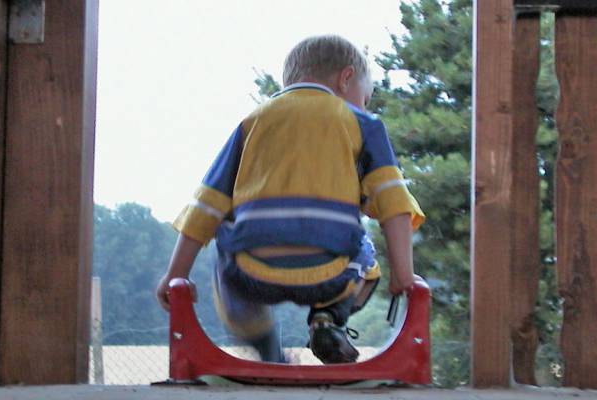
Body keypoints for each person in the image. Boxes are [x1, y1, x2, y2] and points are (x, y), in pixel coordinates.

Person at [155, 35, 424, 364]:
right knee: (366, 257)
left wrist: (175, 277)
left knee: (225, 238)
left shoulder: (252, 123)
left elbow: (206, 206)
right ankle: (326, 319)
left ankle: (264, 344)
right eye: (364, 98)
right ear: (346, 78)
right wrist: (403, 274)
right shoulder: (363, 124)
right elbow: (393, 205)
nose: (364, 106)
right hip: (331, 274)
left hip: (251, 274)